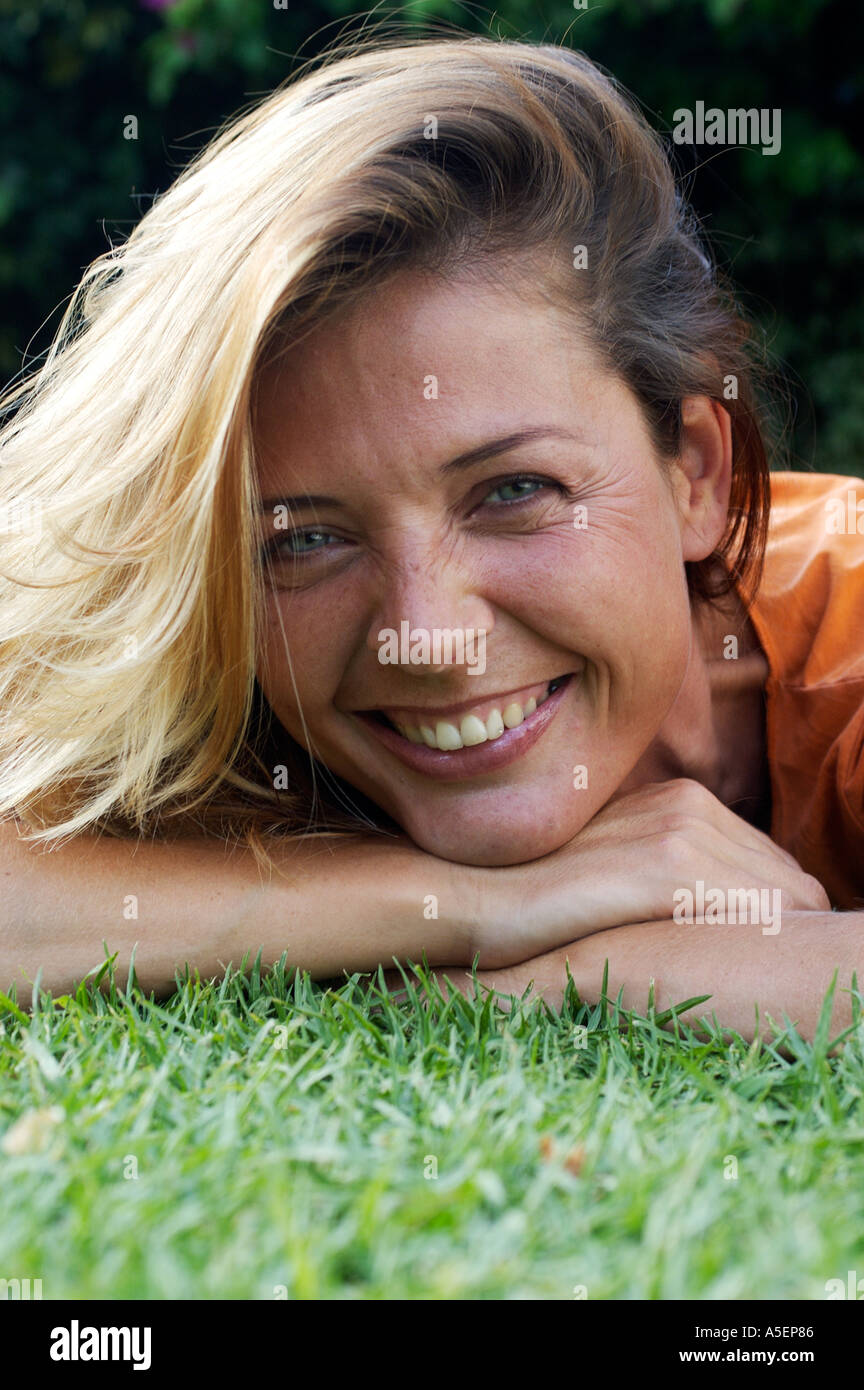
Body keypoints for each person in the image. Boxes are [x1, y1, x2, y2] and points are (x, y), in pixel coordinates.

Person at [1, 34, 860, 1043]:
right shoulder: (219, 665)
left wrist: (524, 985)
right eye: (304, 540)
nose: (427, 633)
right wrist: (464, 905)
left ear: (697, 476)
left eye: (513, 490)